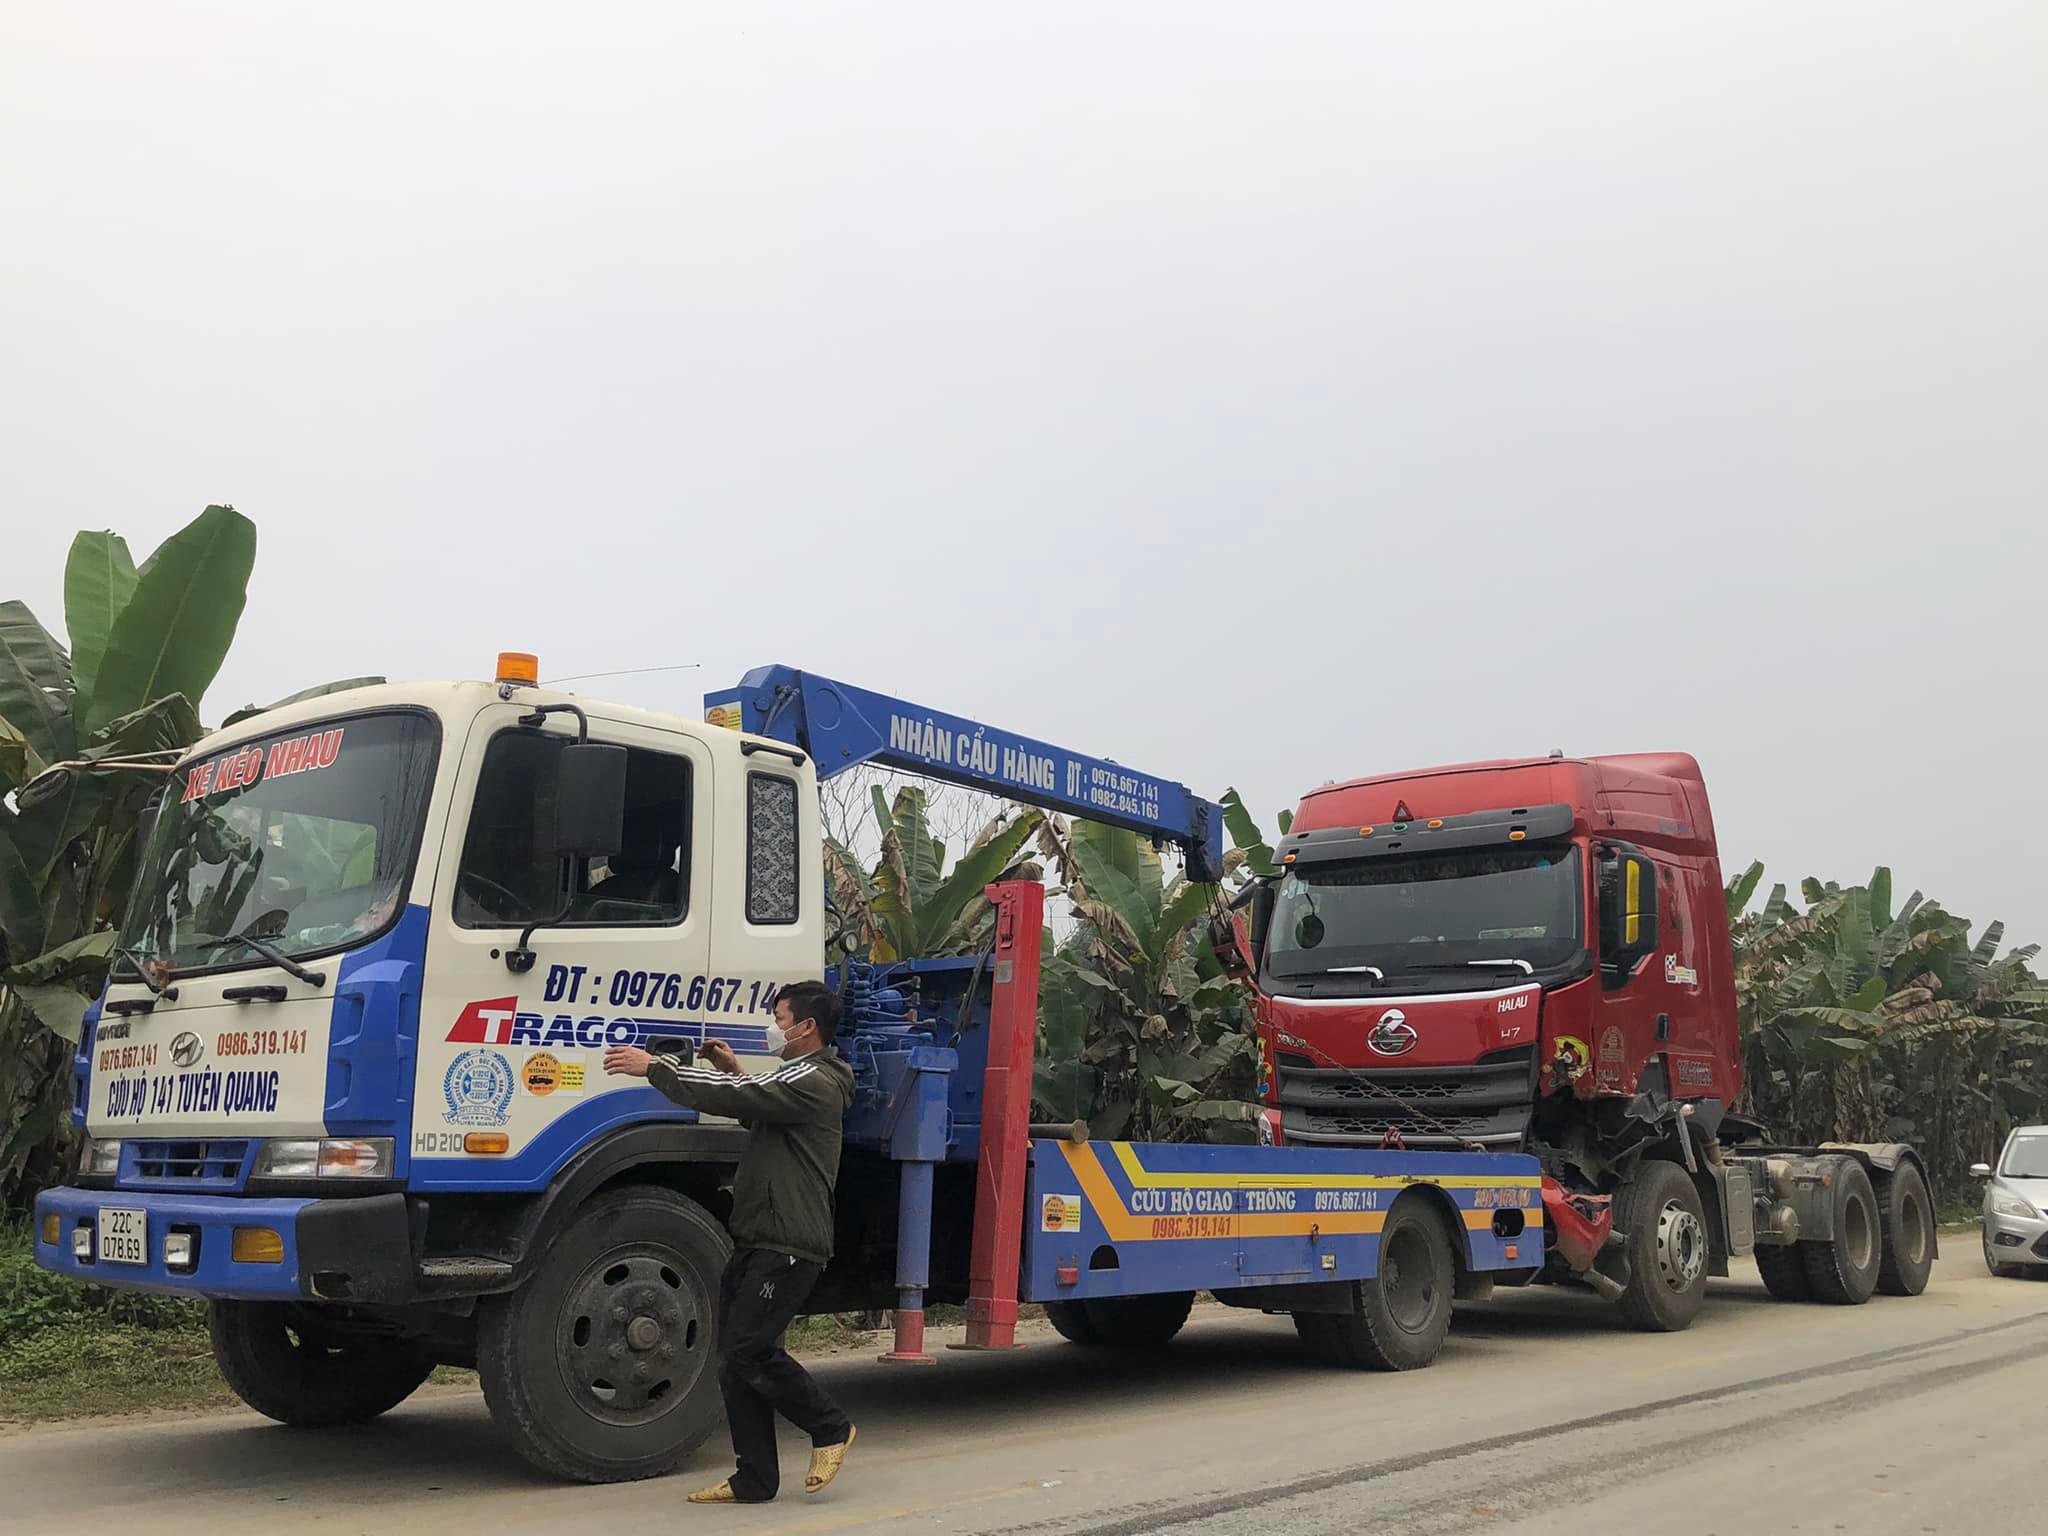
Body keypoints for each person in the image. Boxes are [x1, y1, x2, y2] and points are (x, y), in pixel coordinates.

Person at [602, 980, 858, 1504]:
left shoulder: (816, 1077)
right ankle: (755, 1479)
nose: (774, 1027)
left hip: (788, 1241)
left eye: (780, 1018)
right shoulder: (797, 1081)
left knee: (749, 1348)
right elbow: (755, 1104)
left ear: (807, 1027)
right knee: (733, 1357)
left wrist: (655, 1068)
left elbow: (738, 1097)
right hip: (757, 1235)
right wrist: (734, 1071)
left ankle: (830, 1426)